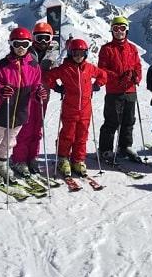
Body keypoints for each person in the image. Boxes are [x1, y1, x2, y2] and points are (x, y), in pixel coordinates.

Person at [0, 27, 45, 185]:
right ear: (11, 44)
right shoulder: (3, 65)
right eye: (17, 44)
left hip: (21, 111)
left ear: (29, 44)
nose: (21, 48)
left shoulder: (34, 66)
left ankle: (1, 163)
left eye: (24, 44)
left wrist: (38, 94)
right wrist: (1, 90)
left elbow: (36, 85)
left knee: (9, 141)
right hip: (3, 109)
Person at [45, 38, 107, 176]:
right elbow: (48, 76)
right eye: (75, 53)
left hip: (85, 109)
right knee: (68, 135)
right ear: (70, 53)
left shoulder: (89, 68)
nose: (78, 57)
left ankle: (78, 160)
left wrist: (96, 85)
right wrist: (57, 88)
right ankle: (63, 159)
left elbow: (103, 75)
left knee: (82, 136)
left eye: (81, 53)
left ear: (86, 54)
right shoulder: (65, 68)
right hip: (69, 108)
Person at [11, 22, 59, 177]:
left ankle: (33, 157)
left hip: (43, 95)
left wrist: (57, 85)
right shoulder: (26, 53)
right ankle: (19, 159)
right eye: (39, 38)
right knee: (25, 128)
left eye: (46, 38)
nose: (43, 42)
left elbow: (55, 73)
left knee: (37, 128)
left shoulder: (52, 54)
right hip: (26, 95)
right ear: (33, 38)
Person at [97, 16, 143, 161]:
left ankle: (125, 146)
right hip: (114, 91)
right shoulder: (107, 49)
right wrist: (118, 77)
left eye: (122, 28)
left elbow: (138, 66)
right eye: (115, 29)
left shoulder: (132, 48)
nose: (119, 32)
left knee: (128, 120)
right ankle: (105, 149)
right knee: (112, 121)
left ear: (126, 30)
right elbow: (102, 69)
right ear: (112, 31)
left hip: (130, 90)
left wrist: (136, 77)